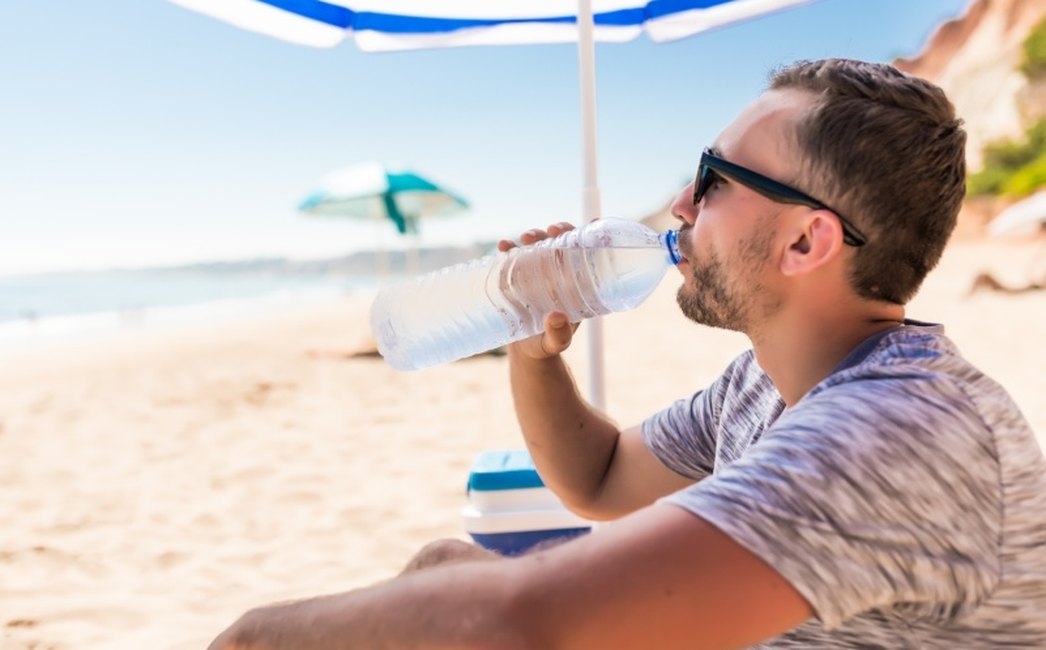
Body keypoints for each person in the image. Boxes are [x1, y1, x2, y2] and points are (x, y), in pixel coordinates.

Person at [208, 59, 1046, 649]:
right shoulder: (766, 379)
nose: (681, 200)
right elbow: (600, 477)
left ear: (804, 242)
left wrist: (248, 639)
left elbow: (522, 628)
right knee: (437, 567)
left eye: (715, 178)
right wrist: (533, 348)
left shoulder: (900, 430)